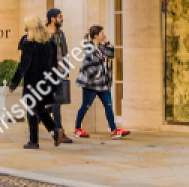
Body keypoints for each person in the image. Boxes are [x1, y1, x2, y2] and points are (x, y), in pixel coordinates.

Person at [9, 15, 66, 149]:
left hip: (33, 82)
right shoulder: (50, 42)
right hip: (47, 82)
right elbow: (54, 64)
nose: (25, 29)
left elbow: (24, 65)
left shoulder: (28, 42)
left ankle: (34, 141)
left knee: (32, 111)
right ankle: (55, 130)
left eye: (26, 26)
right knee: (39, 109)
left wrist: (14, 83)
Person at [74, 25, 129, 139]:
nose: (103, 35)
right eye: (101, 33)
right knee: (85, 106)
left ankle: (114, 130)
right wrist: (97, 73)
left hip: (103, 84)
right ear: (96, 35)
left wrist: (107, 42)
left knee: (108, 106)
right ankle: (77, 129)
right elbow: (86, 66)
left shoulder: (101, 47)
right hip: (92, 84)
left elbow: (112, 54)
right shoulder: (89, 48)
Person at [47, 8, 72, 139]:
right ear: (52, 18)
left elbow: (65, 53)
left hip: (60, 73)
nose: (62, 19)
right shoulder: (44, 34)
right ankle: (59, 132)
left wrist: (66, 71)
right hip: (48, 75)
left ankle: (42, 119)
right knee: (55, 104)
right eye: (59, 17)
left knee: (55, 103)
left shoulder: (61, 34)